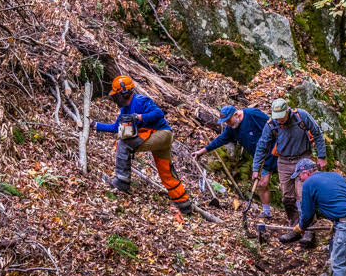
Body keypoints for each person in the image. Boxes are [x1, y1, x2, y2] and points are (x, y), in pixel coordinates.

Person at [92, 75, 192, 216]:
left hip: (162, 134)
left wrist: (138, 117)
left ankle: (122, 181)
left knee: (123, 143)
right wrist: (95, 125)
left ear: (123, 93)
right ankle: (184, 204)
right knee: (166, 172)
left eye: (116, 96)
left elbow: (159, 113)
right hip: (156, 138)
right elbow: (116, 127)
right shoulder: (124, 110)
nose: (115, 100)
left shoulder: (140, 100)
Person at [252, 98, 327, 247]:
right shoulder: (271, 124)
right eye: (277, 117)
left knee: (303, 195)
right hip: (284, 161)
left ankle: (309, 230)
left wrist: (321, 156)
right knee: (287, 197)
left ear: (287, 111)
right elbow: (262, 146)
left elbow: (317, 134)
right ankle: (295, 226)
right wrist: (256, 169)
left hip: (303, 159)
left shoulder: (301, 116)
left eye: (281, 117)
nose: (279, 120)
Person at [192, 105, 276, 219]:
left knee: (289, 182)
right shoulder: (232, 128)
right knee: (262, 184)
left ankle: (301, 212)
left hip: (277, 152)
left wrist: (282, 145)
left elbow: (274, 126)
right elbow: (220, 140)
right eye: (225, 122)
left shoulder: (252, 114)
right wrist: (201, 151)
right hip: (261, 159)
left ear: (236, 114)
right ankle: (266, 212)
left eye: (228, 120)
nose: (228, 124)